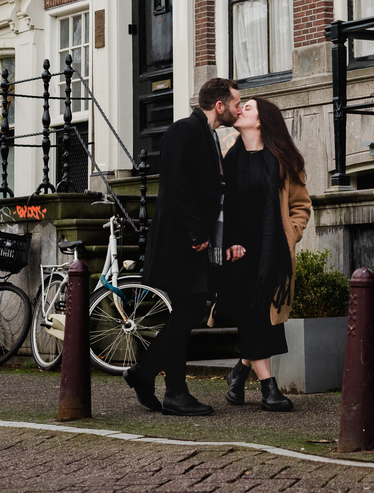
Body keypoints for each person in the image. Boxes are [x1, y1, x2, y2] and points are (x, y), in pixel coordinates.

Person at [124, 77, 241, 416]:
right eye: (236, 102)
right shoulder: (183, 131)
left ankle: (156, 380)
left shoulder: (209, 134)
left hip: (192, 244)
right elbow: (174, 183)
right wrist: (196, 234)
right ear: (219, 105)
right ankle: (164, 385)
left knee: (185, 315)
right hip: (182, 245)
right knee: (186, 314)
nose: (238, 108)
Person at [220, 97, 311, 412]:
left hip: (272, 251)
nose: (241, 109)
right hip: (240, 253)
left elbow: (301, 205)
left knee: (262, 316)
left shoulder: (283, 160)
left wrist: (293, 232)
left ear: (261, 120)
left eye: (248, 107)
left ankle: (239, 372)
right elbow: (224, 207)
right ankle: (269, 388)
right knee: (254, 314)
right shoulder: (230, 159)